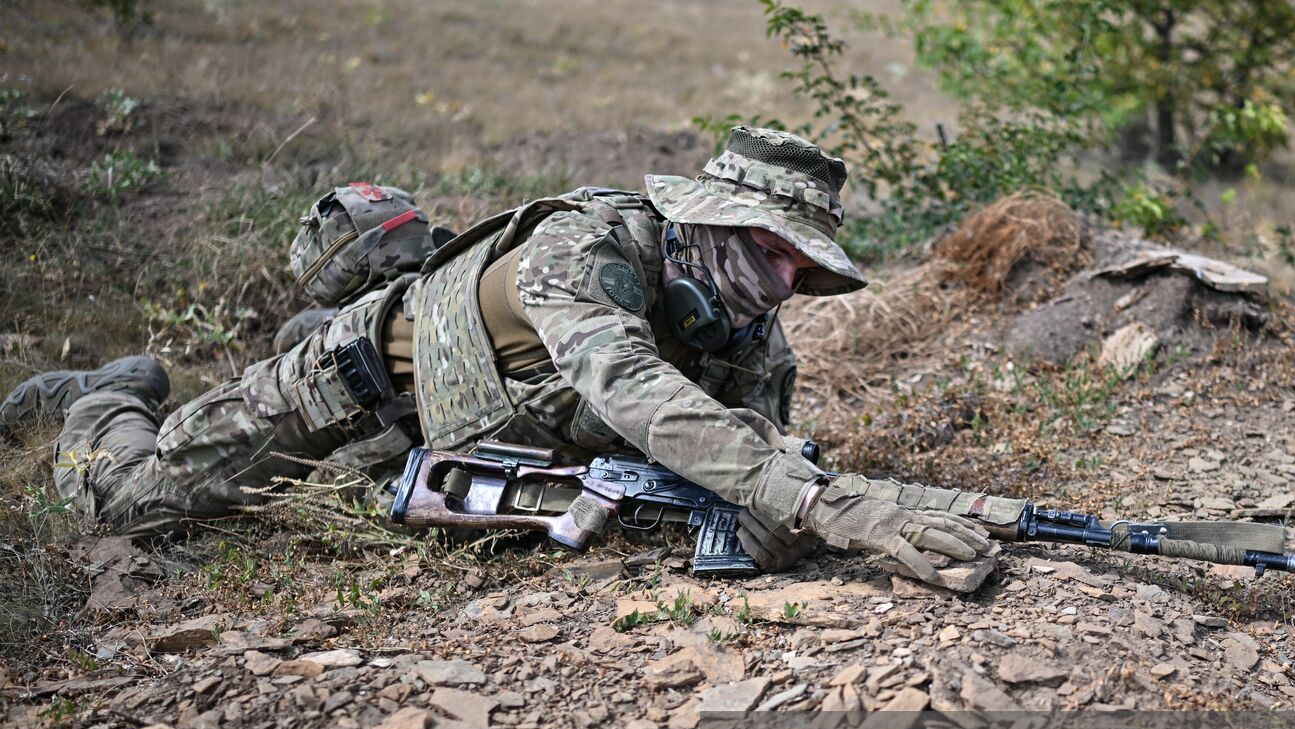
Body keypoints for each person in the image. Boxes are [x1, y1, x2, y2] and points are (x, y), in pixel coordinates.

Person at [0, 126, 992, 579]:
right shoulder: (588, 243)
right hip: (350, 386)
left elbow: (737, 454)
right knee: (126, 508)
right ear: (711, 221)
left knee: (309, 528)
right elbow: (629, 387)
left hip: (474, 451)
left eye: (800, 267)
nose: (782, 285)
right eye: (772, 252)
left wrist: (771, 517)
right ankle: (107, 393)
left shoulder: (755, 346)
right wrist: (820, 501)